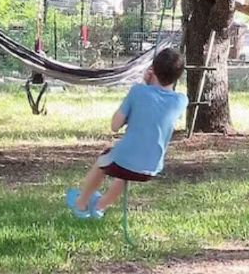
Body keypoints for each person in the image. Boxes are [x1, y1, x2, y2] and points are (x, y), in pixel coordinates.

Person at [66, 47, 188, 219]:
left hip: (124, 160)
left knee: (102, 162)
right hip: (151, 168)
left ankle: (81, 204)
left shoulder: (138, 91)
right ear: (178, 76)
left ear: (153, 70)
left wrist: (146, 84)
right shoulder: (181, 101)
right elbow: (159, 106)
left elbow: (115, 126)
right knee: (125, 174)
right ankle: (100, 207)